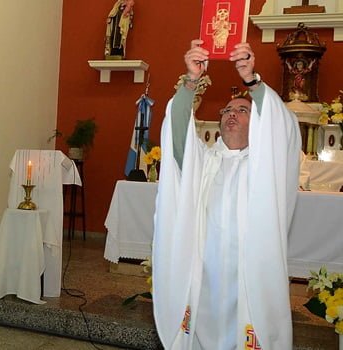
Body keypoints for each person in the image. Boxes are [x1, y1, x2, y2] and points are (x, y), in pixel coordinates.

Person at [152, 39, 301, 349]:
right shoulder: (205, 161)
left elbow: (282, 125)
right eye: (228, 109)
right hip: (204, 278)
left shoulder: (266, 168)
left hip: (248, 279)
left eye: (244, 110)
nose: (232, 113)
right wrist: (190, 81)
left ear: (260, 123)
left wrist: (252, 81)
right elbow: (177, 131)